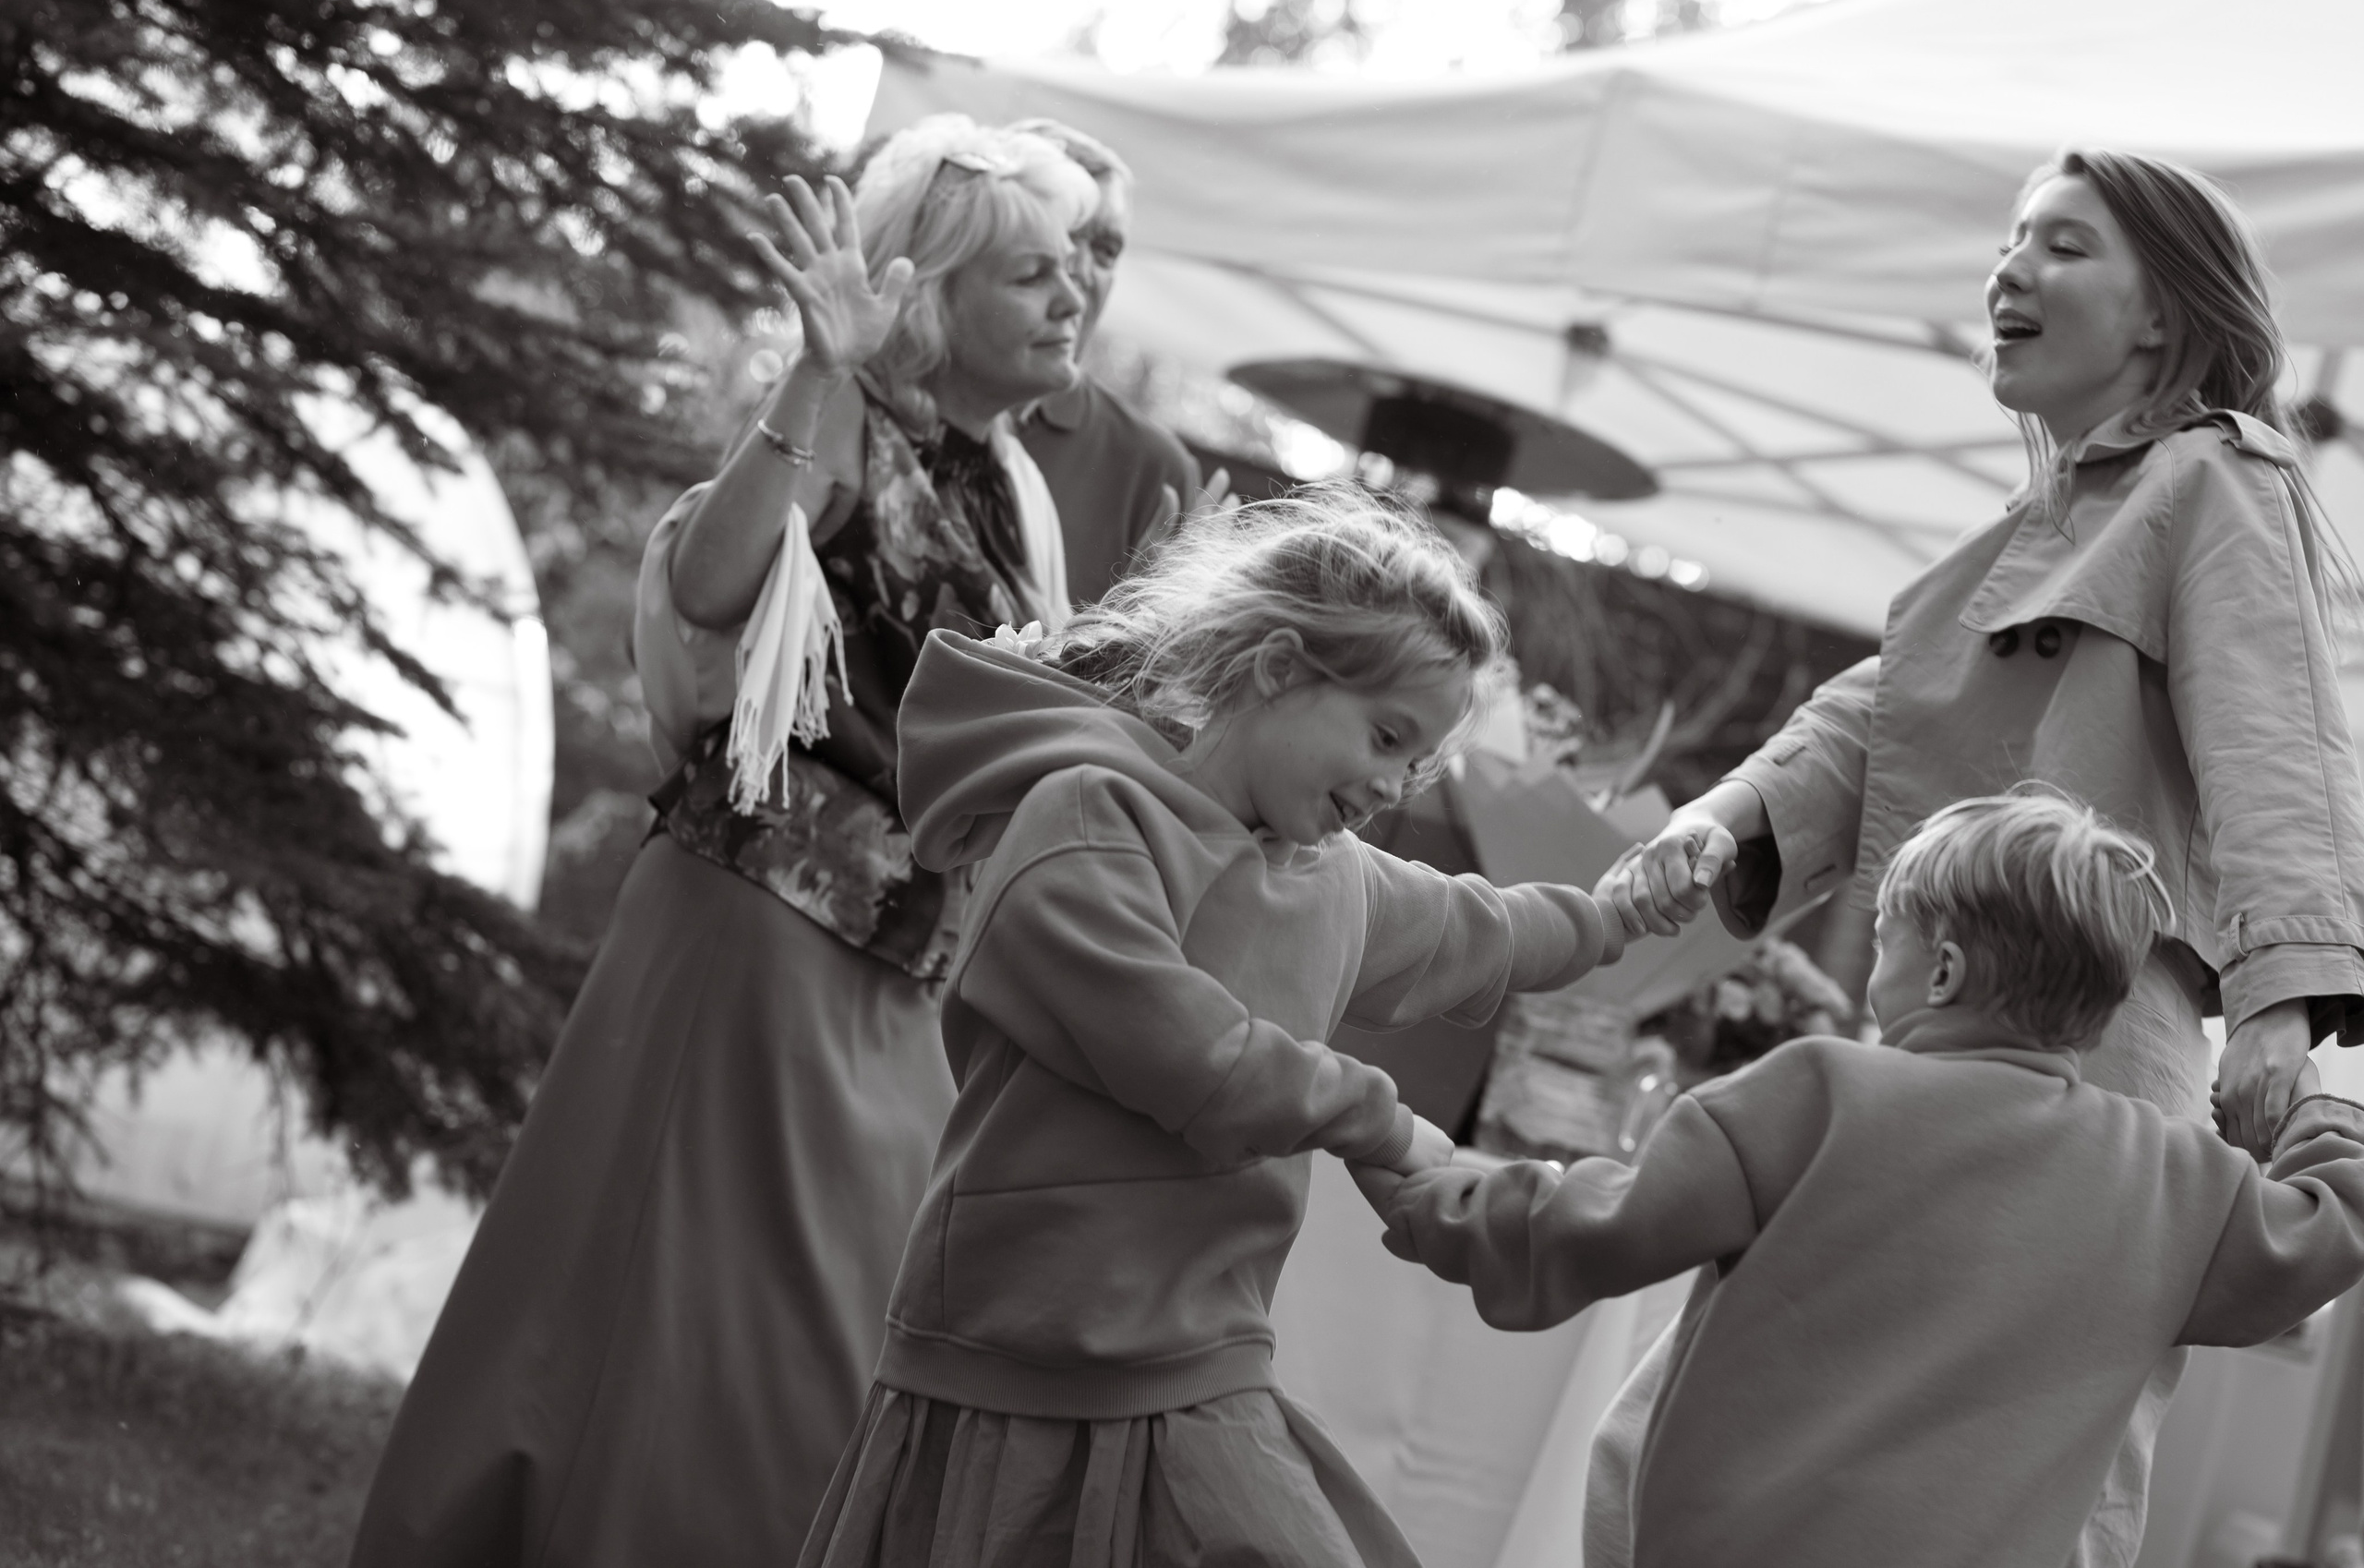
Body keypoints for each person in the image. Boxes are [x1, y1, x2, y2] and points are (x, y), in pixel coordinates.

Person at [1594, 147, 2364, 1568]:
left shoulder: (2220, 479)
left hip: (2095, 1038)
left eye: (2064, 245)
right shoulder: (2018, 532)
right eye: (2011, 240)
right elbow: (1868, 715)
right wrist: (1718, 819)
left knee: (2022, 1474)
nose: (2009, 270)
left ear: (2160, 315)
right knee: (1719, 1424)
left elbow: (2280, 743)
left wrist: (2282, 995)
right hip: (1937, 1034)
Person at [348, 117, 1099, 1568]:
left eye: (1076, 268)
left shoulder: (1011, 488)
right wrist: (821, 368)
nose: (1072, 298)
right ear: (933, 296)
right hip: (755, 937)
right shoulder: (853, 422)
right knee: (701, 1335)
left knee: (809, 1350)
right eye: (1031, 274)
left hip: (896, 976)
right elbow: (708, 578)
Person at [796, 491, 1626, 1568]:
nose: (1390, 786)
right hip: (1013, 1361)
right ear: (1279, 667)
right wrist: (1383, 1125)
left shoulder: (1334, 878)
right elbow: (1192, 1054)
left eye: (1415, 765)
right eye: (1384, 736)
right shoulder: (1085, 820)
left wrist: (1617, 916)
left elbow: (1480, 927)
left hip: (1199, 1363)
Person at [1368, 790, 2364, 1568]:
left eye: (1885, 936)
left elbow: (1586, 1228)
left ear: (1939, 972)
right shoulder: (2173, 1176)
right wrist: (2308, 1105)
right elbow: (2326, 1231)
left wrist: (1429, 1184)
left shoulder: (1812, 1092)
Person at [1010, 117, 1203, 605]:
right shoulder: (886, 402)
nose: (1078, 269)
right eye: (1065, 231)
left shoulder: (1154, 472)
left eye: (1106, 248)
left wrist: (1131, 627)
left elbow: (1145, 679)